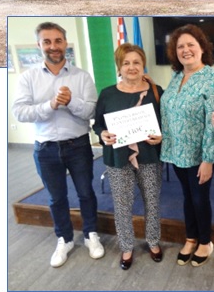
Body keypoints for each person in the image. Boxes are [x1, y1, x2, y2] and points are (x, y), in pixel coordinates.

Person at [11, 22, 105, 268]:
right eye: (47, 41)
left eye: (58, 41)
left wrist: (71, 101)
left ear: (65, 43)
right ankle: (64, 239)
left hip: (78, 146)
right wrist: (50, 105)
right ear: (39, 45)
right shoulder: (28, 78)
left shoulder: (81, 77)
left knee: (86, 193)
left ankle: (90, 234)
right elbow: (19, 112)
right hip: (46, 149)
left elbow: (91, 112)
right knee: (56, 198)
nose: (53, 46)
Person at [160, 24, 214, 268]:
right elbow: (168, 112)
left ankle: (205, 242)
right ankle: (190, 237)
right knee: (187, 197)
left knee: (200, 199)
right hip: (177, 151)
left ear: (202, 48)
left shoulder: (212, 79)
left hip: (200, 154)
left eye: (191, 45)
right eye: (180, 46)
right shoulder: (176, 76)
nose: (185, 50)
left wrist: (208, 159)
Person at [93, 43, 164, 270]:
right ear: (119, 67)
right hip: (118, 157)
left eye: (136, 62)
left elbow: (165, 124)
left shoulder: (157, 92)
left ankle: (153, 241)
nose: (132, 67)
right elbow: (99, 125)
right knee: (122, 205)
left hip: (149, 155)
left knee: (152, 202)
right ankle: (126, 246)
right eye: (126, 63)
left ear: (143, 65)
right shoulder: (107, 94)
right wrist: (103, 134)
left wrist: (161, 136)